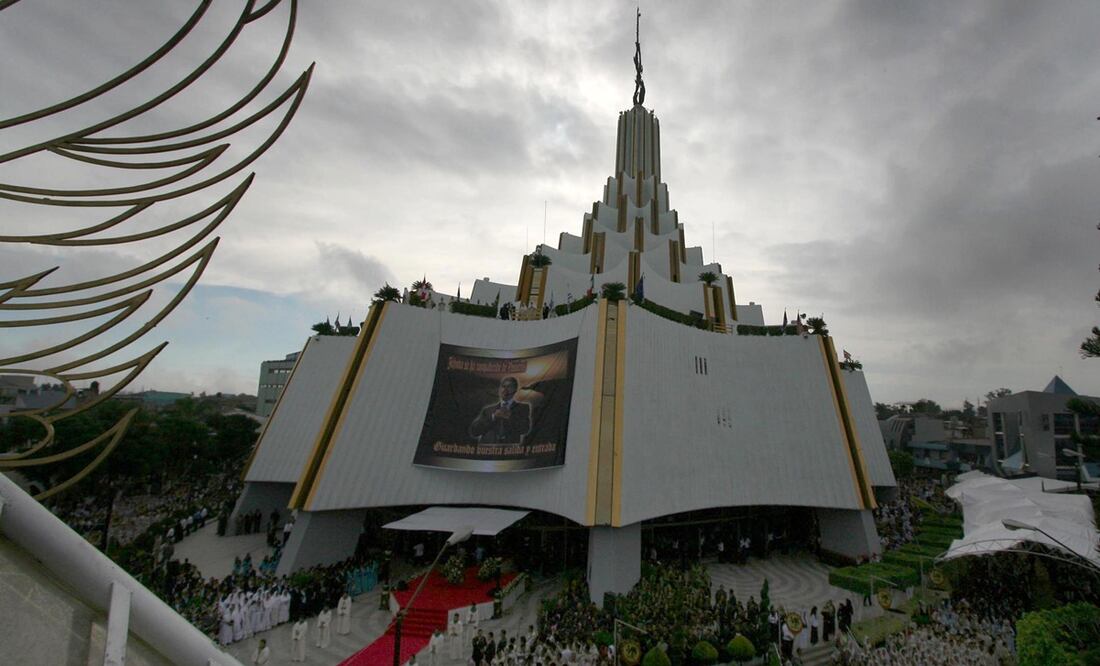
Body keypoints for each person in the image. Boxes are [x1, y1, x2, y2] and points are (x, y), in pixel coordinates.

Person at [468, 376, 531, 444]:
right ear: (499, 389)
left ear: (515, 389)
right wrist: (493, 417)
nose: (505, 389)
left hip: (509, 449)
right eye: (503, 386)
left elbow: (525, 430)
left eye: (509, 386)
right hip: (488, 449)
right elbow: (474, 431)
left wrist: (510, 416)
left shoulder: (523, 408)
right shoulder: (487, 410)